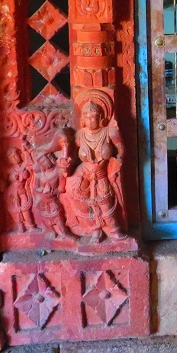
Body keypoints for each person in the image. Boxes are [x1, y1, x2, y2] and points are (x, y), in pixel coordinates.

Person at [63, 89, 127, 243]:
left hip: (101, 173)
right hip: (83, 173)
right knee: (84, 202)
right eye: (86, 116)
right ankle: (94, 230)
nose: (90, 119)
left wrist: (117, 163)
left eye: (93, 116)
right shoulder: (80, 135)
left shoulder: (109, 132)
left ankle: (114, 230)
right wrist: (66, 162)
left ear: (101, 117)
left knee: (105, 202)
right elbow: (71, 155)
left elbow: (122, 150)